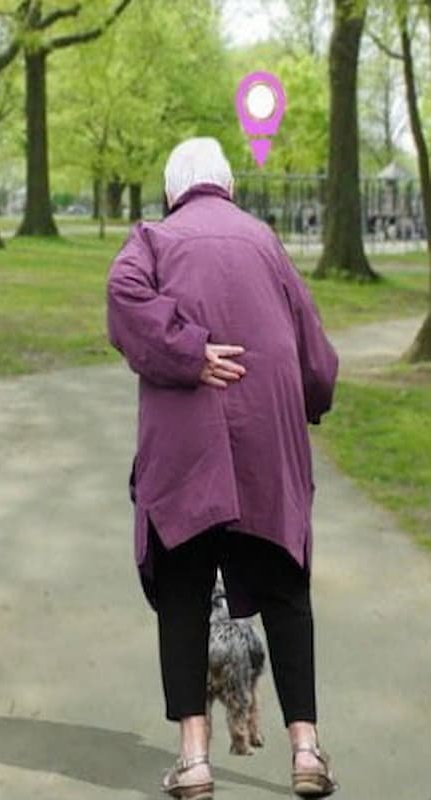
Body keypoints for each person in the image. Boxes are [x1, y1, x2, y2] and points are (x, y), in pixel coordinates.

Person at [107, 137, 338, 800]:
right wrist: (308, 401)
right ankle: (306, 751)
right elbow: (316, 357)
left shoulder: (151, 238)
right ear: (228, 187)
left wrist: (187, 352)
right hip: (267, 448)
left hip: (185, 455)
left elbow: (123, 301)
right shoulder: (266, 242)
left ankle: (196, 762)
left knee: (182, 595)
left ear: (173, 189)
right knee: (287, 593)